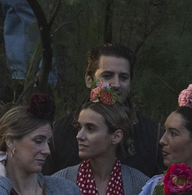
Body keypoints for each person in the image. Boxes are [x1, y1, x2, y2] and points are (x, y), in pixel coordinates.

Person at [46, 44, 162, 178]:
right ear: (89, 80)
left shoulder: (154, 134)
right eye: (107, 75)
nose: (116, 84)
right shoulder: (58, 133)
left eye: (123, 77)